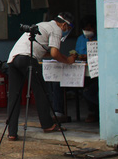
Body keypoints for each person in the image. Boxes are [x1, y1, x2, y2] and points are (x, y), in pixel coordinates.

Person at [6, 13, 77, 141]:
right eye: (68, 28)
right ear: (64, 24)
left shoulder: (43, 24)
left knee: (14, 96)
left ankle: (12, 132)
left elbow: (43, 52)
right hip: (27, 58)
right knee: (41, 92)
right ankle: (47, 125)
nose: (66, 31)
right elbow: (54, 53)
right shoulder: (57, 29)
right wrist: (67, 60)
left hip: (13, 58)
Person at [75, 15, 98, 123]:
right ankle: (92, 111)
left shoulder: (99, 38)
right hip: (84, 71)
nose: (87, 32)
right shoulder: (81, 39)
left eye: (89, 29)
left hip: (97, 71)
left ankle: (96, 111)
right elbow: (78, 52)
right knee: (85, 89)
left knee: (90, 90)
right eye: (85, 30)